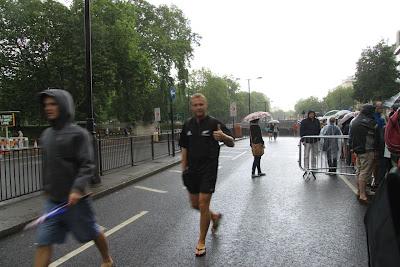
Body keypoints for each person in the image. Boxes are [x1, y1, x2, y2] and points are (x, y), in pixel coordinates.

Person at [34, 89, 113, 267]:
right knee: (44, 241)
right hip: (53, 202)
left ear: (63, 105)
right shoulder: (46, 135)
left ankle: (107, 259)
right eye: (46, 104)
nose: (48, 107)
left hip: (76, 201)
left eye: (53, 103)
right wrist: (46, 189)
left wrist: (77, 189)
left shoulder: (79, 134)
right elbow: (48, 166)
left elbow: (87, 165)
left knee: (92, 231)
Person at [179, 93, 234, 257]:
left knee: (203, 204)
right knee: (195, 205)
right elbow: (184, 148)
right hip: (192, 171)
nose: (198, 107)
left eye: (201, 104)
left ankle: (201, 241)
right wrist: (184, 170)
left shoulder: (214, 123)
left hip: (208, 170)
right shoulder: (187, 125)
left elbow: (231, 141)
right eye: (195, 105)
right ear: (191, 107)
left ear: (206, 105)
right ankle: (214, 216)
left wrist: (223, 137)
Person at [349, 104, 379, 205]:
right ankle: (362, 195)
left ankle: (360, 191)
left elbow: (351, 136)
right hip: (367, 150)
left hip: (358, 150)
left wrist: (352, 148)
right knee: (365, 172)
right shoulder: (370, 122)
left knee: (359, 171)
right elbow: (376, 136)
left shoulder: (354, 120)